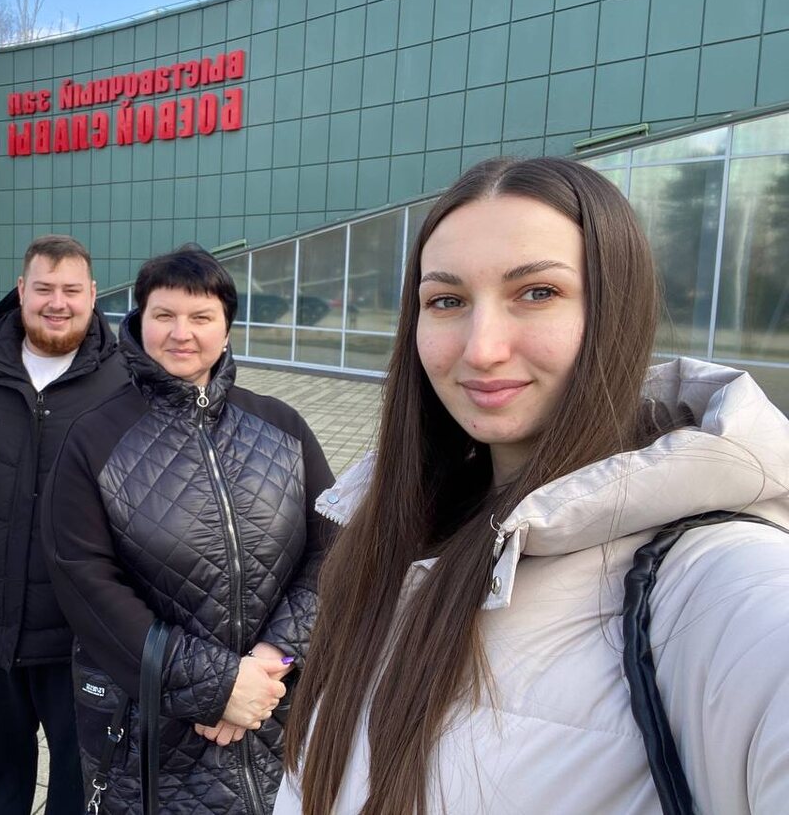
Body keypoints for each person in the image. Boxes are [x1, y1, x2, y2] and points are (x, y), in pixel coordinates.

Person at [276, 157, 789, 815]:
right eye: (447, 301)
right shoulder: (392, 534)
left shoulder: (722, 586)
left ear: (617, 307)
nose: (481, 349)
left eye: (538, 292)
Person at [42, 245, 336, 813]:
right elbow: (85, 583)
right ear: (139, 321)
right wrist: (216, 686)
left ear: (226, 329)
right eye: (164, 315)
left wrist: (275, 657)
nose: (182, 333)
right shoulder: (94, 437)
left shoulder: (282, 425)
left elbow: (336, 548)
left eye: (201, 316)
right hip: (155, 729)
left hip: (279, 709)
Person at [0, 234, 129, 815]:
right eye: (44, 288)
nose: (57, 303)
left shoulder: (129, 382)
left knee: (79, 782)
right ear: (21, 291)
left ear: (93, 295)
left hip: (82, 635)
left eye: (71, 290)